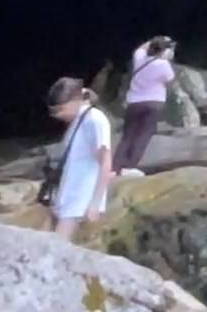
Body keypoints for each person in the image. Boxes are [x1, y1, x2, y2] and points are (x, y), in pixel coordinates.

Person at [47, 77, 113, 240]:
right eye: (53, 112)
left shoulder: (94, 119)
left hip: (79, 200)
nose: (57, 116)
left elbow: (105, 162)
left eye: (60, 110)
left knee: (57, 248)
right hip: (67, 196)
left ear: (75, 100)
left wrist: (95, 204)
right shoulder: (78, 119)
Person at [118, 36, 176, 175]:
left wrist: (157, 39)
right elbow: (170, 82)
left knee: (128, 136)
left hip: (134, 102)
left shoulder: (139, 58)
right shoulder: (163, 65)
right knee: (143, 136)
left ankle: (116, 167)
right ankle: (130, 167)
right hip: (154, 103)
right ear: (164, 51)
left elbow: (141, 48)